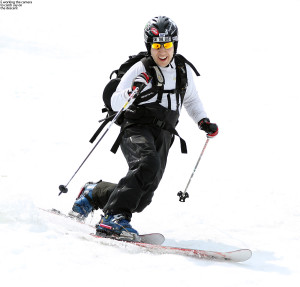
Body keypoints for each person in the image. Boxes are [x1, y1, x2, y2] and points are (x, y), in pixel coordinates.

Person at [68, 16, 218, 242]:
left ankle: (94, 193)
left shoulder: (182, 69)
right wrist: (133, 90)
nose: (162, 51)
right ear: (149, 46)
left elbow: (191, 100)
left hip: (165, 132)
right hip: (136, 127)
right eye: (157, 46)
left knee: (144, 195)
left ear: (174, 45)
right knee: (146, 164)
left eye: (167, 45)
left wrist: (202, 120)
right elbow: (114, 101)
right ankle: (114, 217)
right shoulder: (141, 67)